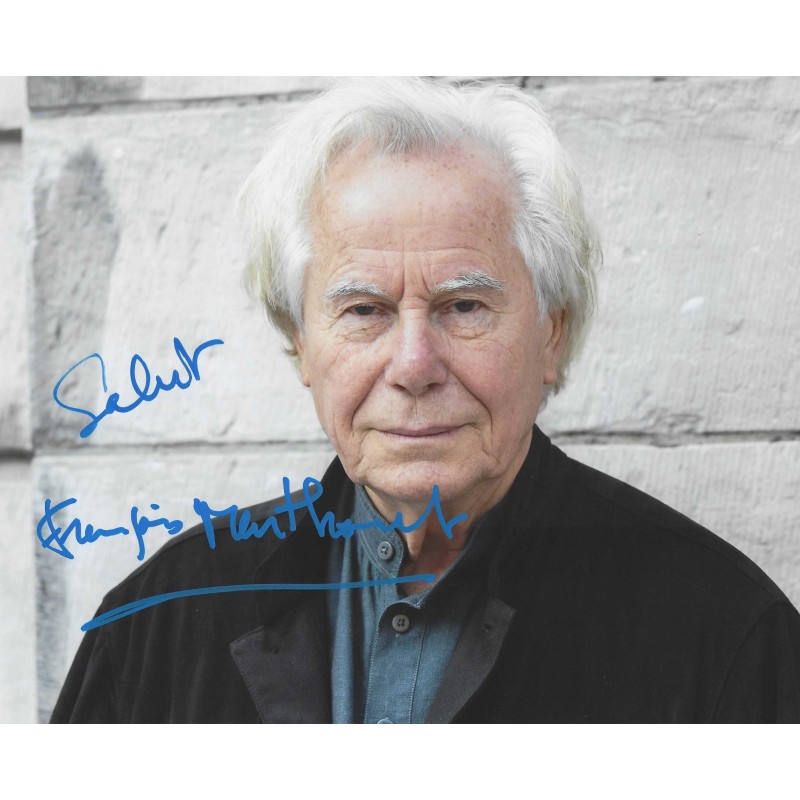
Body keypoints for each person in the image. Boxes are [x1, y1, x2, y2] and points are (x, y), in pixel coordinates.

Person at [51, 77, 800, 723]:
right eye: (364, 310)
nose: (413, 365)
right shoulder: (154, 629)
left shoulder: (727, 639)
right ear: (300, 343)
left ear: (552, 333)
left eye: (464, 306)